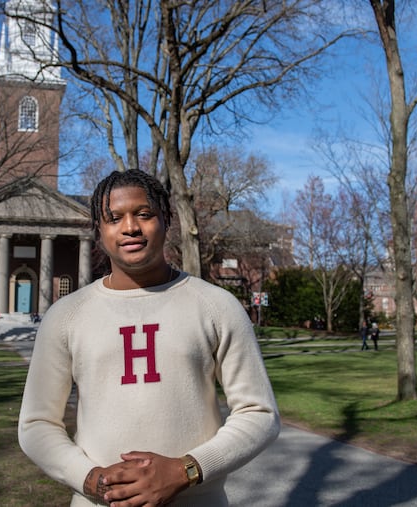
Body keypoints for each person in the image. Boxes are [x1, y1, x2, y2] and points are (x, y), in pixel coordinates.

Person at [18, 170, 280, 506]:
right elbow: (36, 423)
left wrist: (185, 470)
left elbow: (259, 413)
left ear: (167, 219)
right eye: (114, 218)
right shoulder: (66, 315)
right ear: (99, 230)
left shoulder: (216, 306)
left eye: (144, 214)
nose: (130, 227)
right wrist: (91, 479)